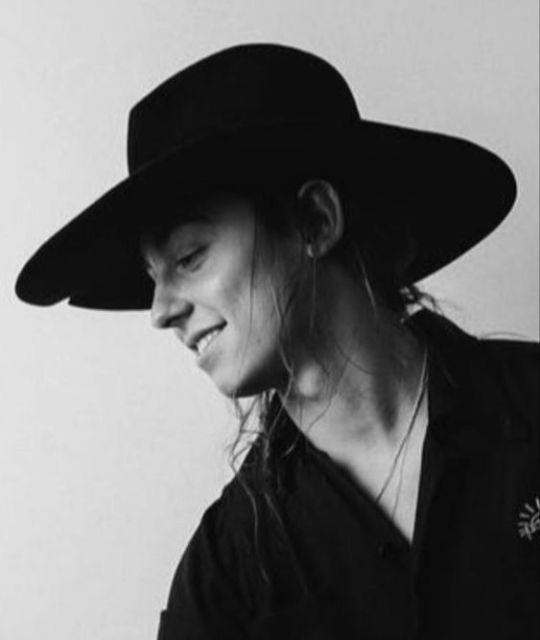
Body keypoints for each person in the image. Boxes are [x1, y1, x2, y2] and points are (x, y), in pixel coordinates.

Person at [15, 44, 539, 639]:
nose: (160, 311)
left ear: (316, 219)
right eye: (153, 277)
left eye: (190, 256)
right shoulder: (228, 572)